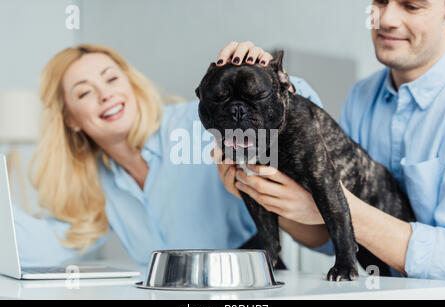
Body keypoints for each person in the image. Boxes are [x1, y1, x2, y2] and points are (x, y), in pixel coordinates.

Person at [13, 43, 319, 268]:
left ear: (130, 84)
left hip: (250, 286)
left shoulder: (194, 126)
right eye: (84, 93)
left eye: (111, 79)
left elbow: (299, 111)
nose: (105, 95)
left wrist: (271, 78)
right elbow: (39, 246)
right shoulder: (94, 182)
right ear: (71, 120)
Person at [214, 0, 445, 280]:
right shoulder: (362, 96)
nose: (386, 19)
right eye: (380, 2)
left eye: (411, 6)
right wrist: (269, 193)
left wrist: (330, 201)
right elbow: (326, 238)